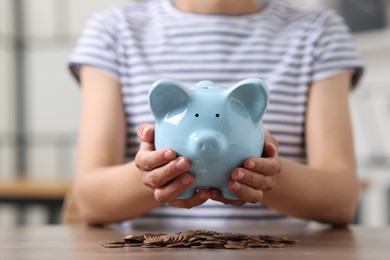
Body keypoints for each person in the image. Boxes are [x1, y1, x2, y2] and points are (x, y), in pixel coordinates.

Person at [68, 0, 364, 226]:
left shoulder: (319, 32)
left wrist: (263, 167)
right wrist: (156, 172)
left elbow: (340, 201)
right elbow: (92, 201)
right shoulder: (114, 32)